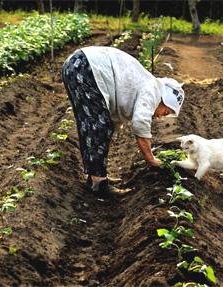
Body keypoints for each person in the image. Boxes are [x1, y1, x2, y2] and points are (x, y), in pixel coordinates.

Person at [61, 46, 185, 197]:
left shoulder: (145, 87)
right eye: (166, 111)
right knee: (98, 125)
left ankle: (96, 177)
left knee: (98, 126)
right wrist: (151, 159)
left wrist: (104, 148)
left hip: (78, 66)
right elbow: (140, 123)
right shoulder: (153, 90)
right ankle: (99, 182)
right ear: (164, 100)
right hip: (85, 66)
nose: (161, 116)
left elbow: (111, 128)